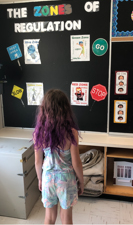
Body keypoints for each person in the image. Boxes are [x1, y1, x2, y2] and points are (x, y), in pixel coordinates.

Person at [33, 89, 84, 224]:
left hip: (47, 178)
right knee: (66, 218)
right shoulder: (71, 133)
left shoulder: (39, 133)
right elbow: (76, 163)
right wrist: (82, 181)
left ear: (44, 109)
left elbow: (38, 162)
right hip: (66, 180)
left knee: (49, 218)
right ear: (65, 109)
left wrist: (40, 179)